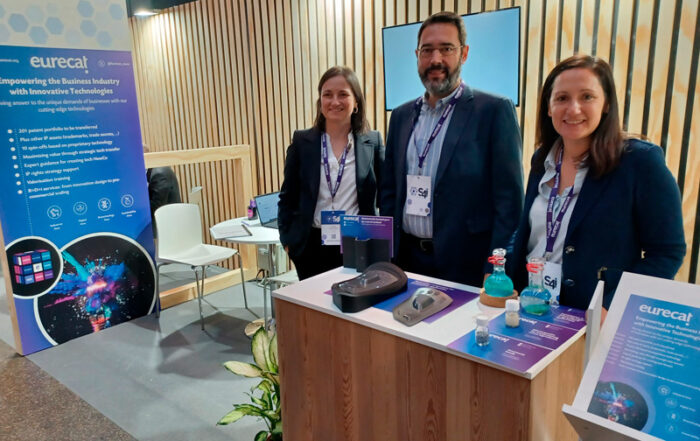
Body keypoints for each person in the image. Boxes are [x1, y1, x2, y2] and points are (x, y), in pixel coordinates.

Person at [508, 54, 686, 315]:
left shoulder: (639, 162)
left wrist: (613, 307)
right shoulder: (542, 159)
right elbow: (531, 233)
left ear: (606, 104)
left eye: (587, 97)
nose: (573, 109)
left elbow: (667, 253)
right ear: (548, 107)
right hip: (531, 307)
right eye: (562, 98)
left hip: (594, 317)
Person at [380, 11, 524, 287]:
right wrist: (387, 254)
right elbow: (389, 193)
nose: (436, 59)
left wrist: (495, 269)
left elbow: (510, 205)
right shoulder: (400, 116)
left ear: (464, 53)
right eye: (427, 50)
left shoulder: (494, 111)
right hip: (406, 262)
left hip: (466, 267)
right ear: (417, 55)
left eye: (446, 49)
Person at [278, 66, 384, 280]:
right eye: (327, 94)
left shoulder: (372, 142)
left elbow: (386, 194)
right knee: (314, 300)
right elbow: (288, 196)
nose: (335, 101)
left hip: (358, 241)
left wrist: (383, 239)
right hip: (311, 245)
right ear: (320, 101)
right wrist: (288, 241)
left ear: (356, 102)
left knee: (354, 299)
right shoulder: (302, 142)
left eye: (343, 94)